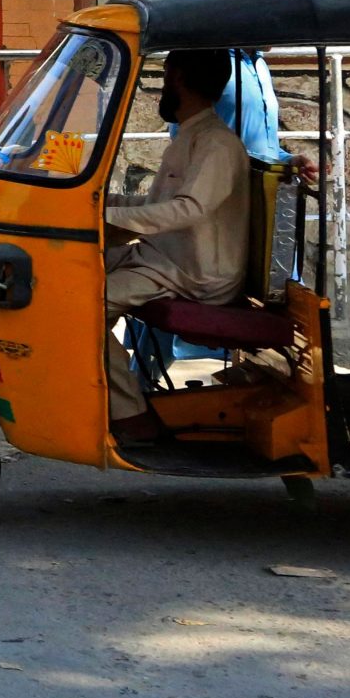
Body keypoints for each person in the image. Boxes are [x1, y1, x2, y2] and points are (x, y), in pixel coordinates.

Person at [104, 48, 247, 442]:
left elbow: (188, 210)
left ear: (179, 79)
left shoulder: (216, 144)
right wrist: (97, 203)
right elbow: (156, 207)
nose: (161, 90)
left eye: (165, 78)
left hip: (193, 273)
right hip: (163, 258)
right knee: (72, 272)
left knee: (79, 303)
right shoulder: (191, 136)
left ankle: (131, 416)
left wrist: (105, 219)